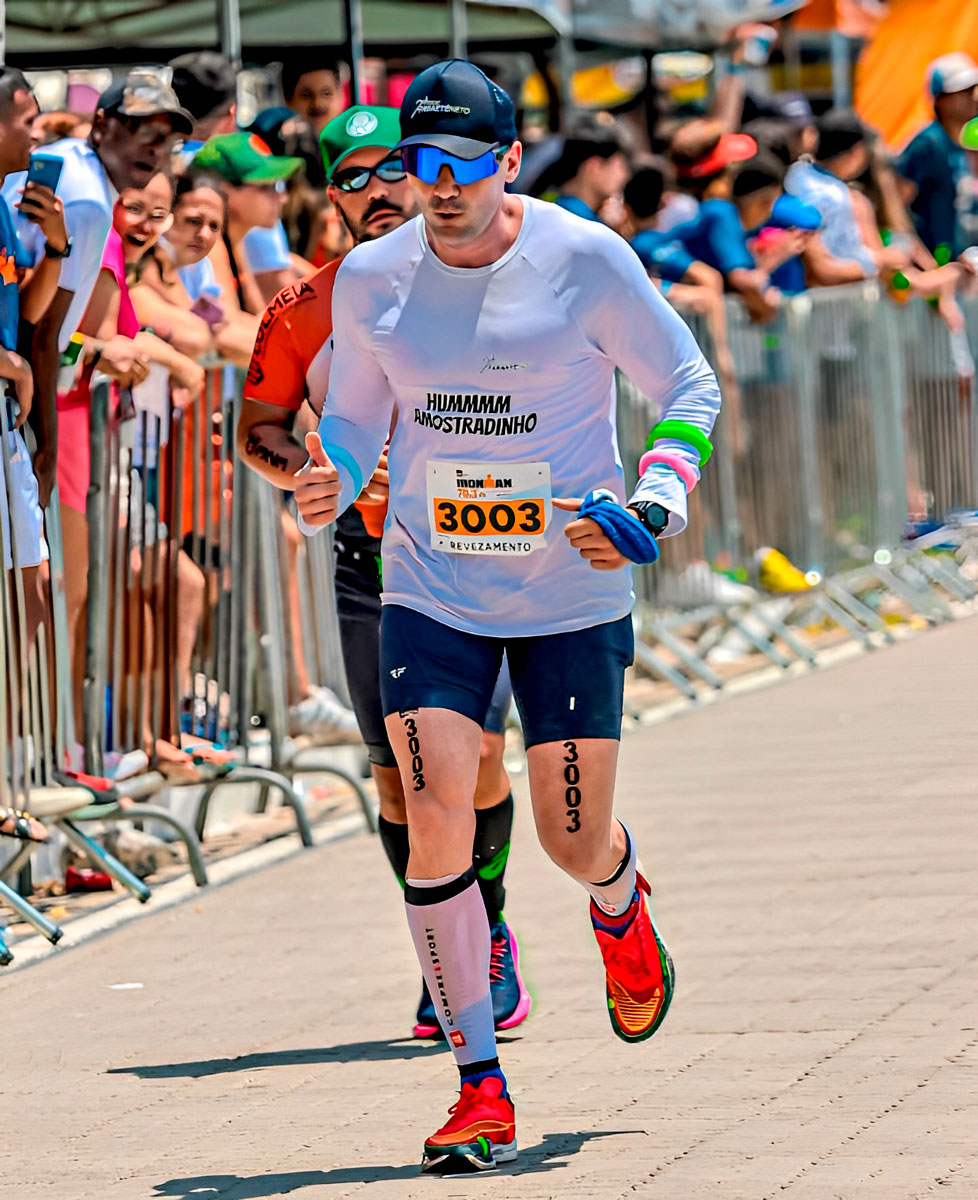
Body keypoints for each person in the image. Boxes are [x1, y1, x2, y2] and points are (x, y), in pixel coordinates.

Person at [295, 59, 720, 1173]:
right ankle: (478, 1085)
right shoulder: (373, 278)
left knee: (568, 837)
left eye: (463, 167)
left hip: (568, 590)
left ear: (510, 163)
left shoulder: (583, 260)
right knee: (434, 813)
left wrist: (656, 497)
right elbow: (353, 416)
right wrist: (326, 472)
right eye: (419, 166)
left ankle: (621, 909)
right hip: (432, 585)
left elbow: (689, 385)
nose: (439, 188)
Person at [237, 103, 529, 1038]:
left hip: (481, 538)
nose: (378, 192)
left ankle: (488, 928)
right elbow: (255, 431)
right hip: (372, 560)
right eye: (353, 177)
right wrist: (307, 475)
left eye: (393, 169)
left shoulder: (493, 276)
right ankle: (444, 951)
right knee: (400, 779)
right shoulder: (304, 308)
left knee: (478, 755)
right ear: (332, 196)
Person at [2, 67, 192, 508]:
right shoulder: (88, 200)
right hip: (20, 395)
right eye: (144, 131)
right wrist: (46, 449)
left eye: (169, 141)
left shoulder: (72, 161)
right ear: (103, 124)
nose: (157, 150)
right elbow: (46, 333)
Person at [0, 66, 69, 641]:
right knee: (25, 602)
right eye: (27, 121)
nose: (38, 134)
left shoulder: (4, 204)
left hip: (7, 423)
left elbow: (24, 312)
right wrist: (12, 365)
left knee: (32, 594)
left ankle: (22, 736)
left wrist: (55, 247)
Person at [898, 52, 978, 261]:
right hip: (930, 268)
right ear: (940, 100)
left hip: (956, 265)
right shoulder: (927, 145)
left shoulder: (961, 141)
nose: (973, 97)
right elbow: (896, 204)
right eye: (964, 91)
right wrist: (922, 261)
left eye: (973, 89)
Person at [541, 114, 630, 224]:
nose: (625, 176)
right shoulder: (589, 226)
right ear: (595, 167)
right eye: (621, 166)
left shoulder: (547, 211)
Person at [281, 56, 347, 139]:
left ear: (341, 97)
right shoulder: (279, 147)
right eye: (306, 95)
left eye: (326, 94)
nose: (317, 103)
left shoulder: (359, 147)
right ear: (288, 101)